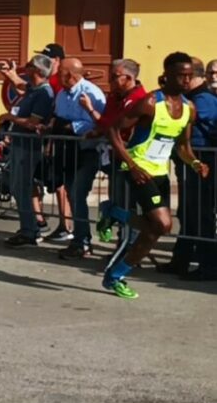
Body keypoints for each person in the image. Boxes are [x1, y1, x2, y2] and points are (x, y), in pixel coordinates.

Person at [104, 52, 210, 299]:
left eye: (189, 76)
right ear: (167, 76)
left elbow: (183, 147)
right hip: (139, 168)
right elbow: (113, 130)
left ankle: (113, 214)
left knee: (156, 229)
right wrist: (131, 165)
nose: (186, 80)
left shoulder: (189, 108)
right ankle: (115, 275)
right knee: (163, 223)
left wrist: (195, 162)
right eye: (180, 75)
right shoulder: (151, 102)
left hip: (160, 171)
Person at [161, 57, 217, 279]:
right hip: (189, 163)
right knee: (188, 214)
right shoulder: (191, 98)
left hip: (203, 163)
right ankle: (180, 261)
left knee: (201, 215)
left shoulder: (203, 100)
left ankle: (208, 266)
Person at [51, 58, 107, 259]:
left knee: (77, 193)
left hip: (88, 151)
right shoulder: (61, 94)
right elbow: (57, 117)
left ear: (71, 75)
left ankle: (83, 241)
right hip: (67, 149)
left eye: (60, 73)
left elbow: (99, 124)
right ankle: (79, 238)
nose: (57, 77)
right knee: (71, 193)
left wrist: (71, 127)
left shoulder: (92, 93)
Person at [0, 54, 56, 247]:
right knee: (17, 186)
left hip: (29, 146)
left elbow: (33, 123)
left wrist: (10, 118)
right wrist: (9, 74)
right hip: (20, 144)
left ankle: (29, 230)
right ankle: (29, 227)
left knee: (21, 186)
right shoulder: (35, 89)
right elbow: (22, 87)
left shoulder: (44, 93)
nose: (26, 67)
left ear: (38, 71)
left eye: (30, 65)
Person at [93, 59, 148, 242]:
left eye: (115, 76)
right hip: (115, 156)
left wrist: (92, 113)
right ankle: (122, 241)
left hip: (132, 158)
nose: (111, 80)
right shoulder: (114, 97)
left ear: (129, 78)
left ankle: (130, 245)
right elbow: (107, 123)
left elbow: (116, 126)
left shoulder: (139, 99)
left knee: (128, 205)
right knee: (117, 201)